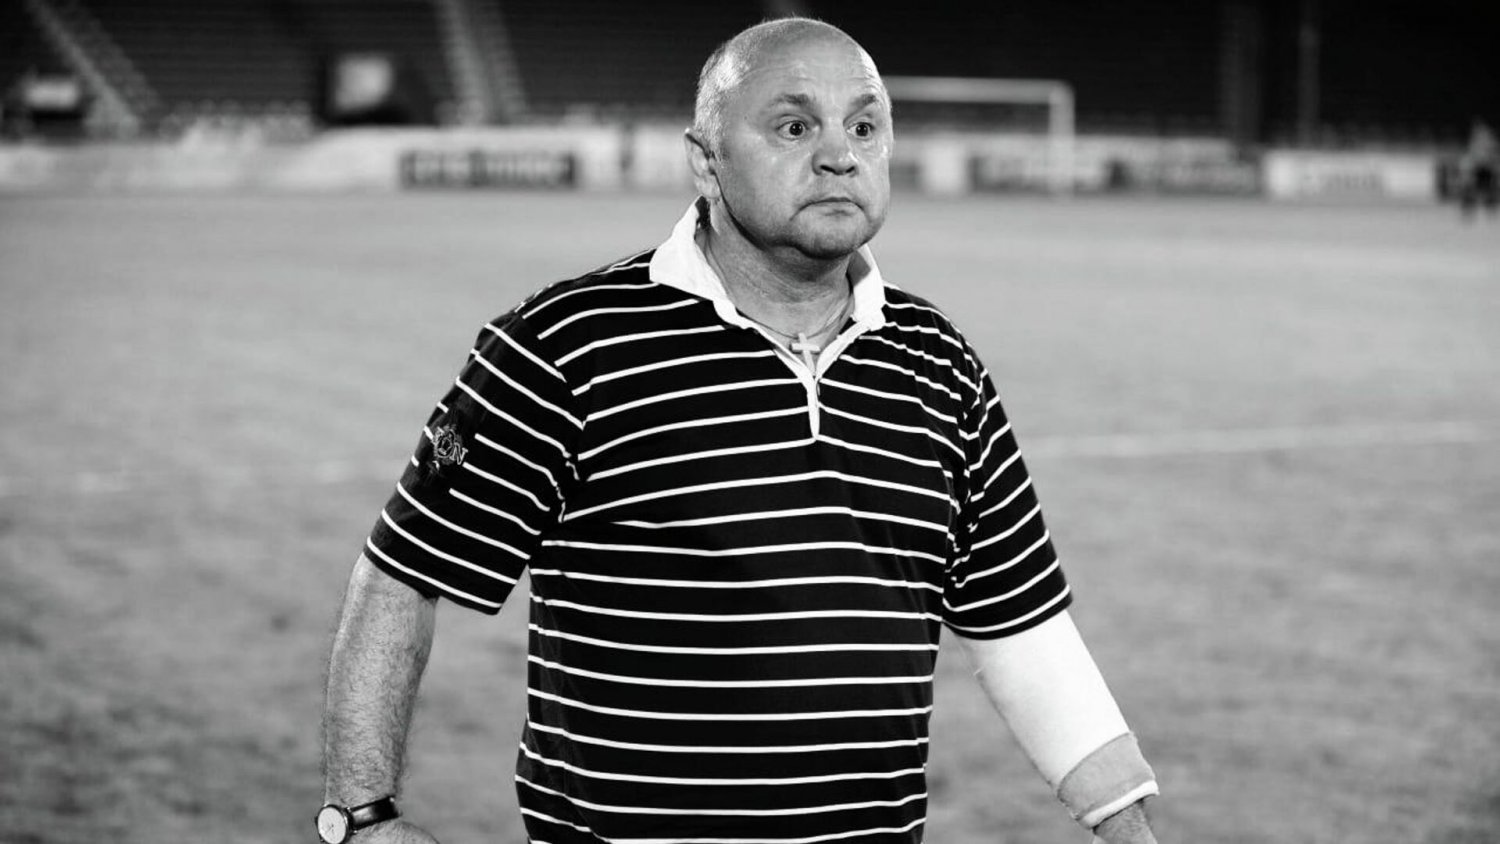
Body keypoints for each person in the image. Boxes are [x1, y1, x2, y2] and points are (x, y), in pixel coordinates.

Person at [320, 17, 1160, 844]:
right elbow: (402, 573)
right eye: (794, 127)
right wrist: (361, 818)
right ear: (706, 159)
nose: (839, 155)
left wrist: (1128, 830)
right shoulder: (569, 346)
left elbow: (1021, 628)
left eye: (864, 126)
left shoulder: (938, 362)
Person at [1457, 118, 1498, 220]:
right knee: (1473, 188)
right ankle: (1470, 208)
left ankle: (1489, 208)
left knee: (1487, 188)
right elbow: (1472, 154)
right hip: (1479, 167)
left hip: (1484, 167)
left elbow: (1492, 152)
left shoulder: (1486, 138)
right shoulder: (1476, 139)